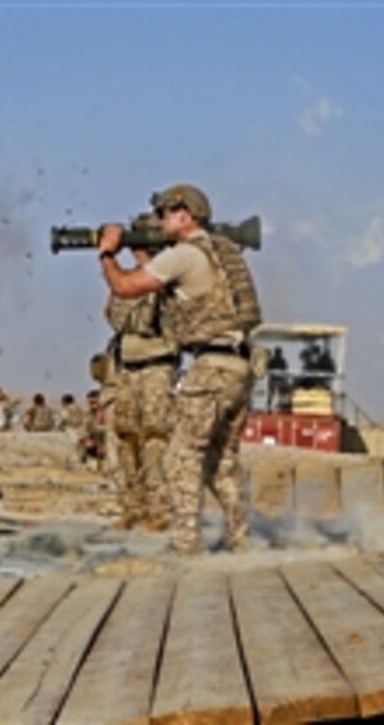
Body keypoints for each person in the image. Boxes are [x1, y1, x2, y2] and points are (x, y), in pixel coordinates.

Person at [97, 183, 261, 553]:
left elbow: (124, 287)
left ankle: (185, 543)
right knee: (221, 463)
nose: (158, 221)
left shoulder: (184, 255)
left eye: (164, 214)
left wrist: (107, 254)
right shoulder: (224, 251)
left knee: (180, 457)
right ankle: (242, 540)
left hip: (212, 368)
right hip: (239, 366)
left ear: (185, 215)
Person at [104, 227, 179, 531]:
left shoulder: (169, 277)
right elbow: (114, 316)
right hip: (128, 366)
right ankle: (132, 507)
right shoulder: (132, 281)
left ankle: (159, 510)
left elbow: (154, 320)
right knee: (125, 437)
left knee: (155, 437)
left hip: (157, 366)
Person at [79, 389, 107, 469]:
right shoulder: (88, 416)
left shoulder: (108, 413)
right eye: (89, 403)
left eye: (93, 403)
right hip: (95, 449)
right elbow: (82, 430)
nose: (91, 406)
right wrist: (85, 440)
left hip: (109, 448)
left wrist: (107, 446)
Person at [266, 346, 288, 411]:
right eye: (277, 352)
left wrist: (284, 378)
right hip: (273, 379)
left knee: (282, 393)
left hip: (280, 379)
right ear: (275, 353)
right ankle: (269, 406)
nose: (278, 353)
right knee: (271, 393)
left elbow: (285, 370)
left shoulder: (283, 361)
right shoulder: (272, 361)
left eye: (279, 352)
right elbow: (268, 369)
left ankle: (282, 406)